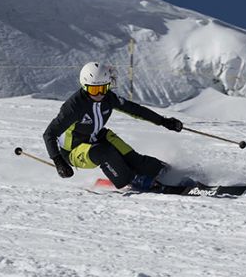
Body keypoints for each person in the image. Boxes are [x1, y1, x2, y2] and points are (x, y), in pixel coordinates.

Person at [43, 62, 183, 190]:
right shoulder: (74, 107)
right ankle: (132, 180)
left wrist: (163, 121)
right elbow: (49, 134)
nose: (99, 94)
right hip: (74, 151)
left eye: (103, 88)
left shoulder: (108, 98)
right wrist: (59, 161)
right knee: (103, 151)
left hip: (96, 137)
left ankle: (157, 169)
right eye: (94, 90)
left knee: (133, 158)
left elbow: (135, 110)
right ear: (85, 87)